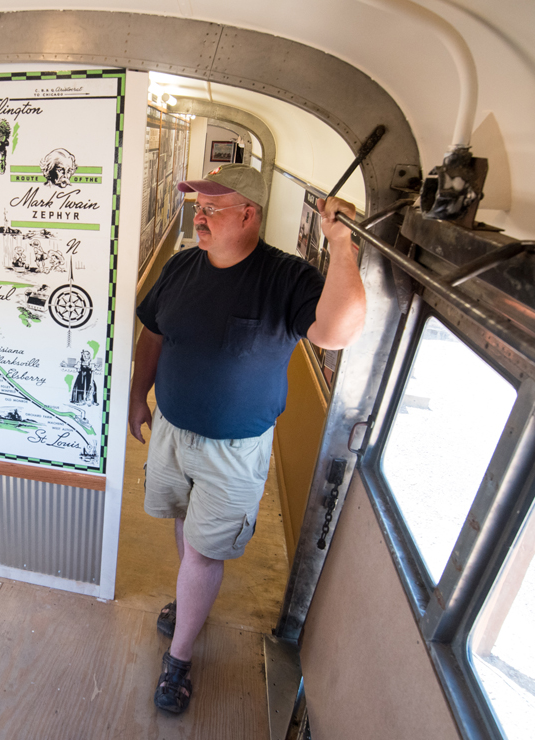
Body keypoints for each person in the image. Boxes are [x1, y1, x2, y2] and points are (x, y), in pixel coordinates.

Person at [128, 164, 366, 714]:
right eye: (198, 205)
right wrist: (139, 394)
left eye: (213, 207)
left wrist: (341, 245)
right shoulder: (184, 264)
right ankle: (190, 601)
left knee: (207, 552)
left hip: (233, 450)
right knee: (188, 527)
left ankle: (180, 659)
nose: (200, 215)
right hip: (171, 432)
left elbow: (337, 332)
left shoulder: (286, 277)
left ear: (249, 215)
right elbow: (154, 331)